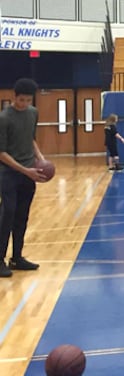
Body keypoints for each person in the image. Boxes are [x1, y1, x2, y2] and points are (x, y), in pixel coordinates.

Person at [0, 78, 48, 277]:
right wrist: (25, 170)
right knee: (7, 215)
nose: (25, 104)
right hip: (9, 173)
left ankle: (17, 257)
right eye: (21, 100)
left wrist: (40, 158)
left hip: (29, 173)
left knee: (22, 215)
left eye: (28, 100)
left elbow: (30, 138)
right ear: (14, 97)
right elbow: (2, 153)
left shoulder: (33, 113)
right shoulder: (4, 118)